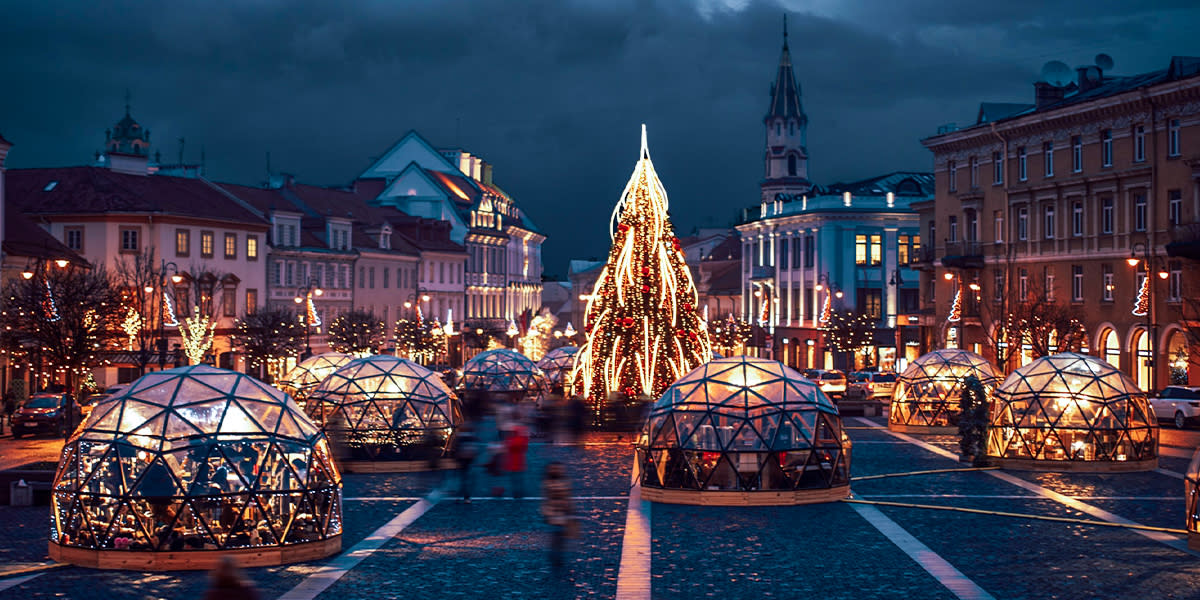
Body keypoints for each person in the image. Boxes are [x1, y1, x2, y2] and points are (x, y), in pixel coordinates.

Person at [541, 461, 574, 570]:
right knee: (558, 536)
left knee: (558, 536)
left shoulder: (548, 482)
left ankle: (556, 554)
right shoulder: (557, 483)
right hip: (557, 514)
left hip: (557, 514)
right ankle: (556, 555)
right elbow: (565, 498)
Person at [453, 424, 480, 502]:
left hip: (461, 460)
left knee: (462, 479)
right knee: (467, 479)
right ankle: (466, 497)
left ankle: (459, 495)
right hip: (469, 460)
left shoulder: (459, 437)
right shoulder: (472, 437)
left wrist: (455, 459)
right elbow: (476, 449)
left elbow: (455, 448)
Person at [504, 424, 530, 498]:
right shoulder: (522, 439)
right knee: (519, 479)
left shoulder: (510, 439)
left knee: (514, 479)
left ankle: (516, 492)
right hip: (520, 462)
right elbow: (525, 448)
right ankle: (520, 492)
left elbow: (507, 447)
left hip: (512, 462)